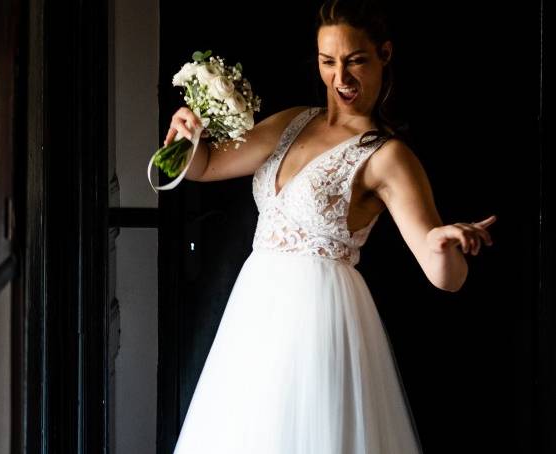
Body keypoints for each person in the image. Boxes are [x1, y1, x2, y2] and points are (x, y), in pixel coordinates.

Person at [163, 1, 496, 452]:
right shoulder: (292, 122)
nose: (341, 78)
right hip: (255, 315)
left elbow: (447, 278)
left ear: (384, 54)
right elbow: (204, 167)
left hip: (319, 320)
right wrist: (186, 134)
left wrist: (440, 242)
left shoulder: (388, 156)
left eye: (356, 60)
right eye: (328, 62)